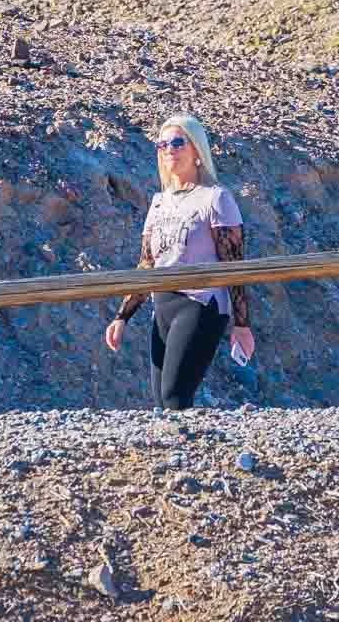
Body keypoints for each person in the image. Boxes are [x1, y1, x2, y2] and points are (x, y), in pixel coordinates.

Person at [104, 114, 257, 409]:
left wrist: (242, 324)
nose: (169, 149)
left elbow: (234, 265)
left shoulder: (216, 198)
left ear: (197, 150)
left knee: (176, 396)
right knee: (161, 400)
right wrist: (122, 316)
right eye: (162, 144)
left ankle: (197, 450)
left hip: (201, 304)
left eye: (177, 142)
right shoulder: (159, 202)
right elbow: (146, 264)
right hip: (161, 305)